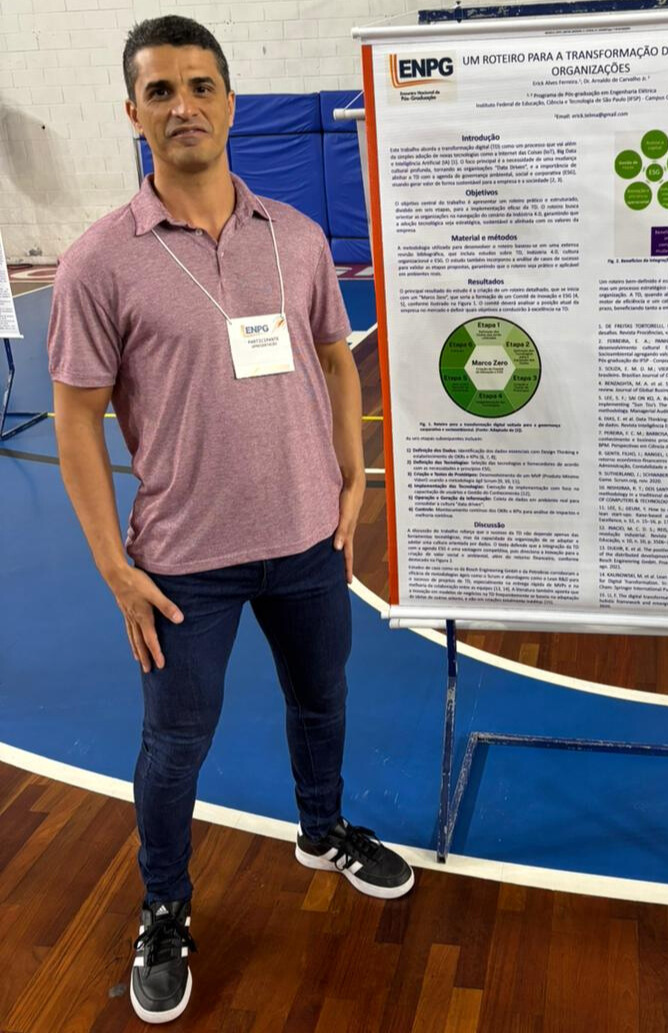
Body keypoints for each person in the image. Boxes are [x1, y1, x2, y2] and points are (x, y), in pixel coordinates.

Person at [47, 15, 414, 1025]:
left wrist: (351, 476)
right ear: (133, 113)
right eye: (160, 91)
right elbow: (75, 418)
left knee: (321, 701)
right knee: (174, 746)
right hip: (182, 564)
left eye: (200, 86)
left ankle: (322, 828)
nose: (184, 106)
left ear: (231, 104)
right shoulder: (98, 262)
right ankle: (165, 905)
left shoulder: (295, 236)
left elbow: (335, 356)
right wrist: (113, 566)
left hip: (306, 541)